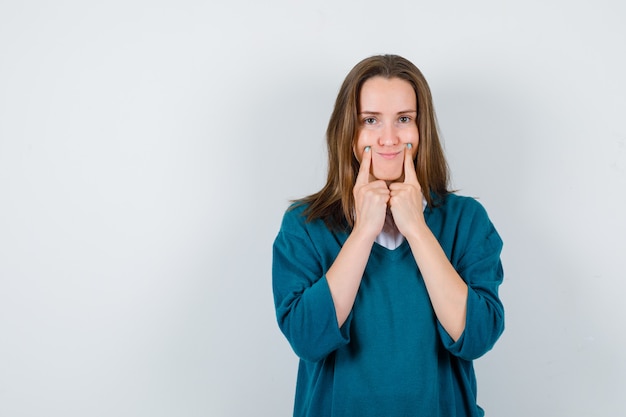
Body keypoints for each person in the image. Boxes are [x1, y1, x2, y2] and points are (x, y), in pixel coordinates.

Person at [272, 54, 504, 417]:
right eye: (370, 120)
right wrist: (364, 230)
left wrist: (416, 228)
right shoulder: (304, 225)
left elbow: (476, 337)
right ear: (348, 131)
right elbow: (306, 338)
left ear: (421, 128)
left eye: (404, 119)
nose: (389, 138)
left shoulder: (467, 221)